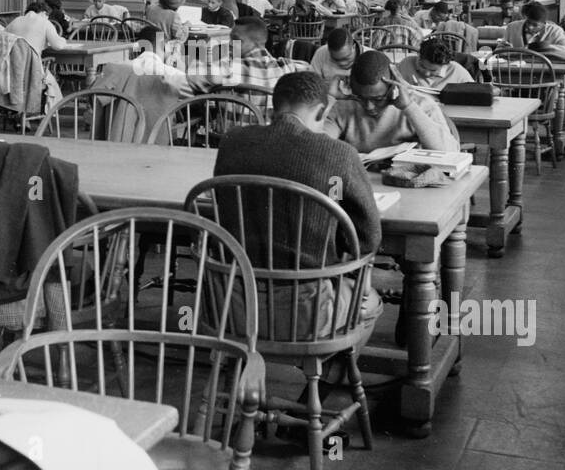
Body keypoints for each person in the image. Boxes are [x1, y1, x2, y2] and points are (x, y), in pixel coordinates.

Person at [213, 71, 383, 341]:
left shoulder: (232, 142)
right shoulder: (339, 154)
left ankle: (242, 366)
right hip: (307, 313)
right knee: (370, 302)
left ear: (274, 105)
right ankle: (328, 378)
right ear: (320, 111)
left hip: (231, 307)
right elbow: (368, 238)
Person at [323, 49, 460, 153]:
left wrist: (409, 107)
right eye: (360, 98)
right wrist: (329, 98)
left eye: (378, 99)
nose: (369, 106)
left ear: (393, 86)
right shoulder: (343, 106)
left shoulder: (422, 105)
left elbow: (450, 152)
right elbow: (312, 145)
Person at [189, 17, 309, 93]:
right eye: (230, 38)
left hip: (232, 133)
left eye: (236, 39)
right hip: (273, 132)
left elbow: (193, 76)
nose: (230, 43)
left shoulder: (229, 69)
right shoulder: (288, 67)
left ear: (255, 42)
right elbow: (310, 69)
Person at [499, 2, 565, 60]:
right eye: (528, 23)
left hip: (545, 72)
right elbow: (498, 51)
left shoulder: (554, 31)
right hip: (517, 71)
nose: (530, 27)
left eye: (535, 25)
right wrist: (504, 50)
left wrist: (545, 47)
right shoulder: (512, 27)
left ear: (544, 24)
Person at [396, 36, 476, 90]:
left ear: (446, 65)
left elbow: (476, 94)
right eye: (422, 66)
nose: (426, 74)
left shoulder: (457, 72)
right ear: (418, 55)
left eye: (433, 70)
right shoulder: (406, 63)